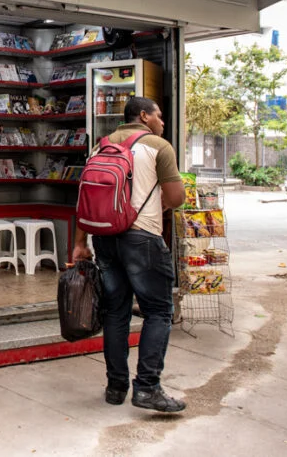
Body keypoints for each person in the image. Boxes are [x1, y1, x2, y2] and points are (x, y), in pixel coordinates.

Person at [72, 96, 187, 413]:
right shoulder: (158, 147)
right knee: (159, 312)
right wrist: (160, 202)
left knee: (115, 312)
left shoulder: (100, 147)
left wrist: (80, 242)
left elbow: (85, 199)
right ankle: (148, 388)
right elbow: (176, 197)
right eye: (159, 115)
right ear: (143, 116)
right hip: (143, 240)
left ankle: (115, 387)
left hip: (105, 239)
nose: (162, 122)